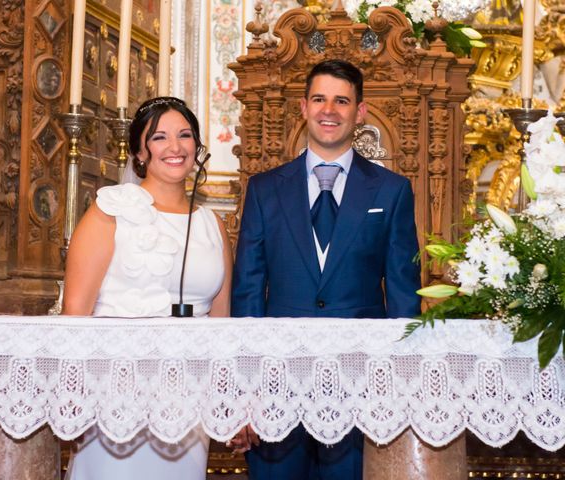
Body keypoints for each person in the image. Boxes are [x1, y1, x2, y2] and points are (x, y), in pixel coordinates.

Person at [230, 59, 421, 479]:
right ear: (303, 107)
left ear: (360, 111)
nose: (328, 110)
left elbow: (405, 298)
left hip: (359, 385)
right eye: (319, 99)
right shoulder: (264, 189)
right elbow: (247, 291)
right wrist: (244, 390)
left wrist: (399, 387)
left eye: (341, 101)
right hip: (276, 386)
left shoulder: (392, 190)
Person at [62, 96, 232, 480]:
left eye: (185, 135)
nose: (175, 147)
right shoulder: (109, 212)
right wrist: (73, 394)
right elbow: (75, 312)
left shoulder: (211, 225)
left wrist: (224, 398)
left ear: (198, 149)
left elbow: (223, 324)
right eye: (160, 137)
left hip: (189, 393)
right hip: (117, 390)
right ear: (140, 151)